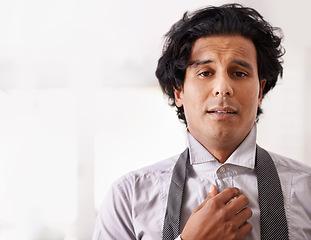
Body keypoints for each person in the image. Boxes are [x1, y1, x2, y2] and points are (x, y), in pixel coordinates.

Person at [93, 4, 311, 240]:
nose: (223, 89)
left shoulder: (307, 191)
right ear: (179, 92)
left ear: (260, 92)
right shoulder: (127, 198)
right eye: (206, 73)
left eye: (239, 73)